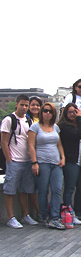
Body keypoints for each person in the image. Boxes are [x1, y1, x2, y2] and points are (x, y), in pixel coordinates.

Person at [1, 94, 38, 228]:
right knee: (10, 189)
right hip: (14, 161)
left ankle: (25, 215)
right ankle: (11, 217)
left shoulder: (29, 121)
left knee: (25, 189)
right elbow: (4, 143)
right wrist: (9, 161)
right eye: (22, 104)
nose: (24, 107)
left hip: (27, 160)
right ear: (16, 104)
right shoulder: (9, 120)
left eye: (26, 105)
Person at [28, 103, 66, 230]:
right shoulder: (35, 127)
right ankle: (44, 216)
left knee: (56, 190)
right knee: (43, 191)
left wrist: (63, 157)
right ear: (41, 112)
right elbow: (31, 146)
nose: (47, 113)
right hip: (42, 163)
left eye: (50, 111)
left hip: (56, 163)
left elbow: (59, 144)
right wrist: (34, 162)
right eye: (45, 111)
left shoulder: (55, 127)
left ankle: (54, 217)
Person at [57, 103, 81, 225]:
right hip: (70, 161)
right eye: (70, 112)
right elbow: (80, 135)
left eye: (75, 111)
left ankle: (77, 211)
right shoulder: (64, 126)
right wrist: (80, 118)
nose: (73, 114)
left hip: (79, 160)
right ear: (65, 114)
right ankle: (69, 213)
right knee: (69, 188)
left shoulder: (75, 125)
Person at [25, 96, 42, 220]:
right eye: (33, 105)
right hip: (28, 157)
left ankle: (41, 211)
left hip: (41, 156)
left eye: (38, 105)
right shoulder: (25, 120)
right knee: (29, 187)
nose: (35, 107)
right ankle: (35, 212)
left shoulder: (42, 120)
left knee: (40, 187)